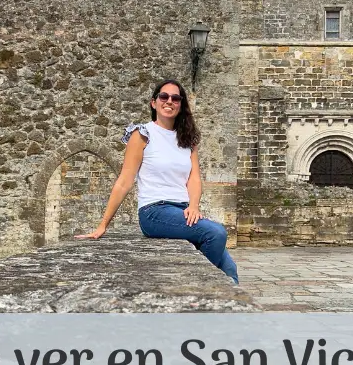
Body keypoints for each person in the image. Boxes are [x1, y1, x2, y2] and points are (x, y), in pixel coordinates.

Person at [76, 79, 239, 284]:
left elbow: (194, 178)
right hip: (154, 211)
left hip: (182, 210)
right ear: (154, 103)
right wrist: (103, 225)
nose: (169, 101)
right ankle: (197, 285)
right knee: (216, 233)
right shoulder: (142, 134)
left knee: (230, 269)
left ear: (181, 105)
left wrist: (194, 206)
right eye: (164, 96)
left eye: (175, 98)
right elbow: (125, 181)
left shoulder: (188, 139)